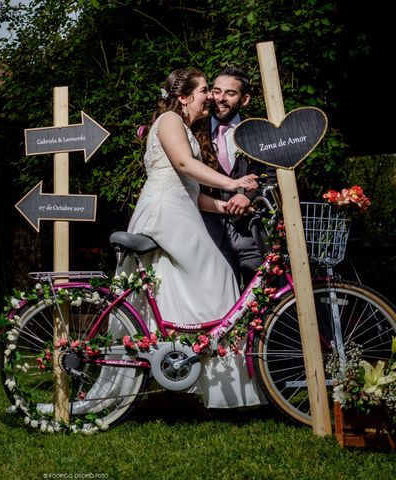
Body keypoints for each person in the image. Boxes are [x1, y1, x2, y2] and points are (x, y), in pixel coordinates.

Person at [123, 68, 265, 409]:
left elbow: (193, 192)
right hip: (164, 213)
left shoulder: (185, 127)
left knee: (169, 290)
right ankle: (220, 382)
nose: (211, 97)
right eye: (205, 90)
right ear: (184, 96)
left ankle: (179, 367)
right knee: (218, 278)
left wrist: (225, 205)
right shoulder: (170, 120)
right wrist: (233, 184)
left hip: (180, 209)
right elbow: (185, 165)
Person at [202, 66, 275, 288]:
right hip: (208, 233)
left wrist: (249, 196)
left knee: (261, 298)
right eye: (216, 91)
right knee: (217, 302)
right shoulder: (195, 131)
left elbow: (273, 176)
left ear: (244, 100)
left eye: (230, 93)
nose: (220, 99)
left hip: (251, 234)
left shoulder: (258, 133)